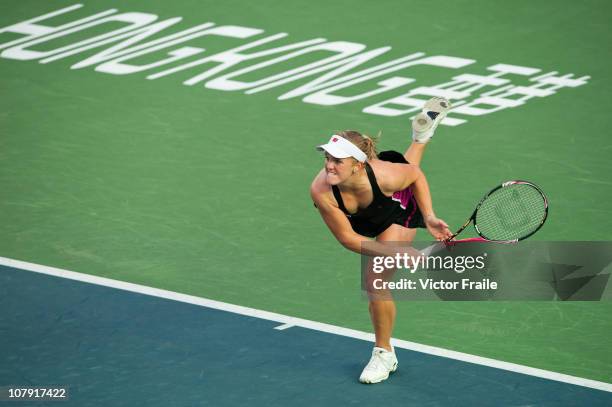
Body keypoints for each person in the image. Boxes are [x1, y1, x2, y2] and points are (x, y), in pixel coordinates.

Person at [310, 97, 453, 384]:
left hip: (395, 211)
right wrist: (399, 253)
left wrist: (428, 217)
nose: (329, 166)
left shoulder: (384, 175)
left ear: (358, 165)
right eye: (327, 158)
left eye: (338, 160)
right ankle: (421, 136)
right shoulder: (322, 191)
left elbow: (414, 175)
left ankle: (384, 353)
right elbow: (349, 239)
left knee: (375, 279)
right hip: (363, 216)